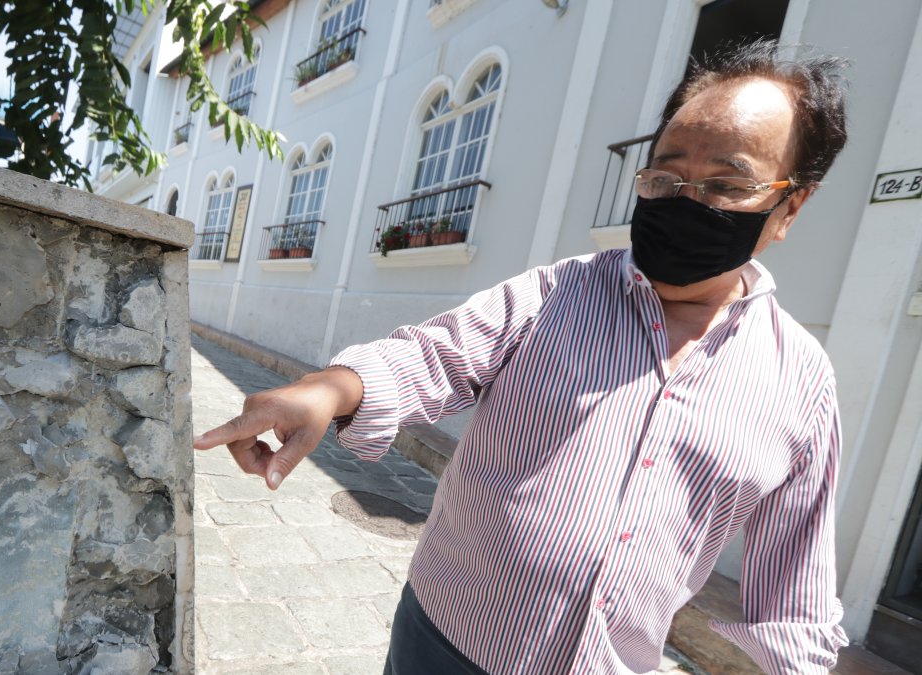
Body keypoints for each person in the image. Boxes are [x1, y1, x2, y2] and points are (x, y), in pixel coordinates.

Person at [194, 40, 851, 674]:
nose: (685, 201)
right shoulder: (555, 293)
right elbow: (433, 357)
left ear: (790, 206)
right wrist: (330, 389)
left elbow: (796, 596)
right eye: (665, 177)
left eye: (726, 185)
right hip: (444, 642)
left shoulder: (800, 382)